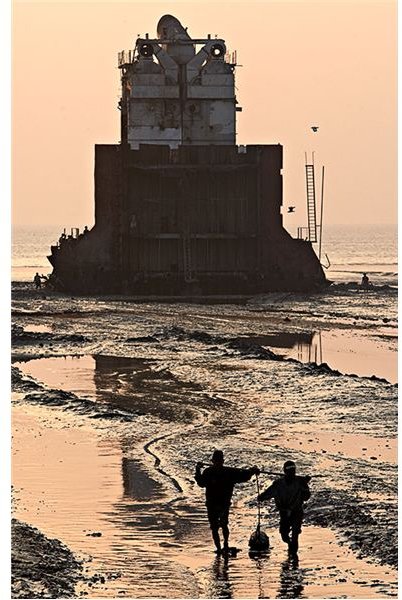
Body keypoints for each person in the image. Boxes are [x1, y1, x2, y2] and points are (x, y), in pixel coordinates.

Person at [195, 450, 259, 555]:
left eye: (219, 461)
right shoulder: (209, 472)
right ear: (213, 461)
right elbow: (201, 483)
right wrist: (198, 470)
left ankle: (225, 544)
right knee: (215, 527)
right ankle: (219, 548)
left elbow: (244, 476)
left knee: (223, 525)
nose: (218, 463)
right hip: (212, 504)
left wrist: (252, 471)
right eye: (216, 461)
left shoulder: (229, 472)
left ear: (222, 461)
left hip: (224, 503)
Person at [258, 461, 310, 556]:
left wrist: (305, 485)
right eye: (289, 471)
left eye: (293, 471)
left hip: (296, 511)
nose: (291, 473)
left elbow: (307, 497)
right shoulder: (278, 484)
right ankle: (290, 545)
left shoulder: (300, 482)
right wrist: (261, 497)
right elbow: (268, 493)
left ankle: (293, 556)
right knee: (284, 535)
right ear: (285, 471)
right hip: (284, 512)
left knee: (295, 534)